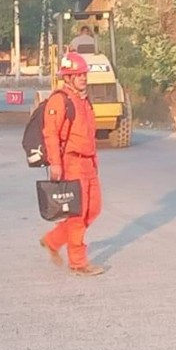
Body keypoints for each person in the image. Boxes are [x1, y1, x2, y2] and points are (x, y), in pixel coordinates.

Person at [39, 52, 105, 276]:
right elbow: (50, 134)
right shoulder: (60, 100)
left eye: (84, 74)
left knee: (93, 209)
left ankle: (53, 239)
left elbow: (89, 135)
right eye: (77, 74)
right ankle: (78, 263)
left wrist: (94, 162)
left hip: (88, 163)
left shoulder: (84, 100)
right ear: (67, 77)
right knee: (77, 214)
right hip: (71, 162)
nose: (83, 78)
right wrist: (55, 164)